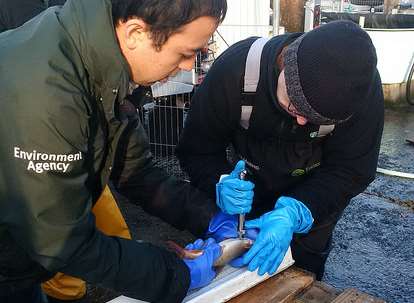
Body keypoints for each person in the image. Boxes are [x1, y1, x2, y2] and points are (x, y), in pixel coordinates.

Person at [0, 0, 228, 302]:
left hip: (18, 260)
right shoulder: (48, 95)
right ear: (136, 32)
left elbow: (135, 170)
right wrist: (176, 274)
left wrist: (210, 218)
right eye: (185, 53)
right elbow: (62, 241)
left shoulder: (106, 66)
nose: (188, 66)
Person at [176, 20, 384, 280]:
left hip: (316, 198)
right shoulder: (235, 72)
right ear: (286, 62)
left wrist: (298, 210)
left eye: (317, 120)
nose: (300, 122)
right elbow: (197, 149)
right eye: (295, 106)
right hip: (246, 194)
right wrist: (218, 180)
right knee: (231, 274)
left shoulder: (360, 92)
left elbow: (352, 169)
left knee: (301, 275)